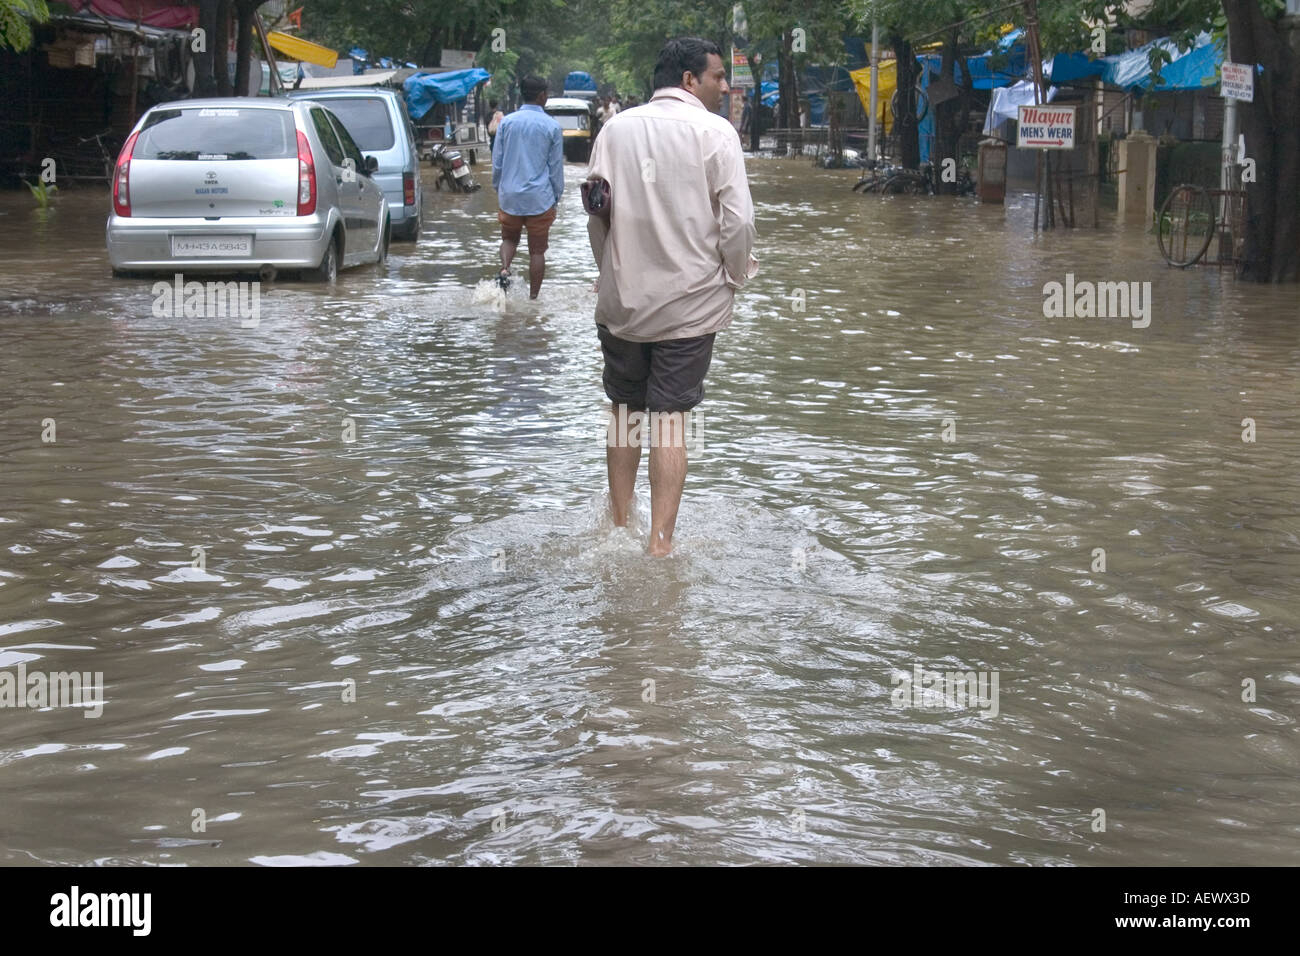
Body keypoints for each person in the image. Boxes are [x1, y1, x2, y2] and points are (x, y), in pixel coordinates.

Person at [584, 37, 759, 557]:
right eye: (718, 76)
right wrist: (735, 274)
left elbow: (597, 210)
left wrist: (611, 271)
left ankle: (618, 528)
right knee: (669, 421)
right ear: (689, 80)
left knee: (624, 411)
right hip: (690, 306)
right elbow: (739, 222)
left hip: (623, 305)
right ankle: (660, 543)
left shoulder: (614, 130)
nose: (725, 86)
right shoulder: (716, 134)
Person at [491, 76, 564, 299]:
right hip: (539, 199)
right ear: (542, 95)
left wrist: (499, 188)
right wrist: (556, 196)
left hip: (510, 196)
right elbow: (555, 169)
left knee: (509, 238)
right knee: (537, 251)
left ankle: (504, 268)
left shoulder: (507, 123)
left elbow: (497, 162)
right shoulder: (552, 126)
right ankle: (533, 299)